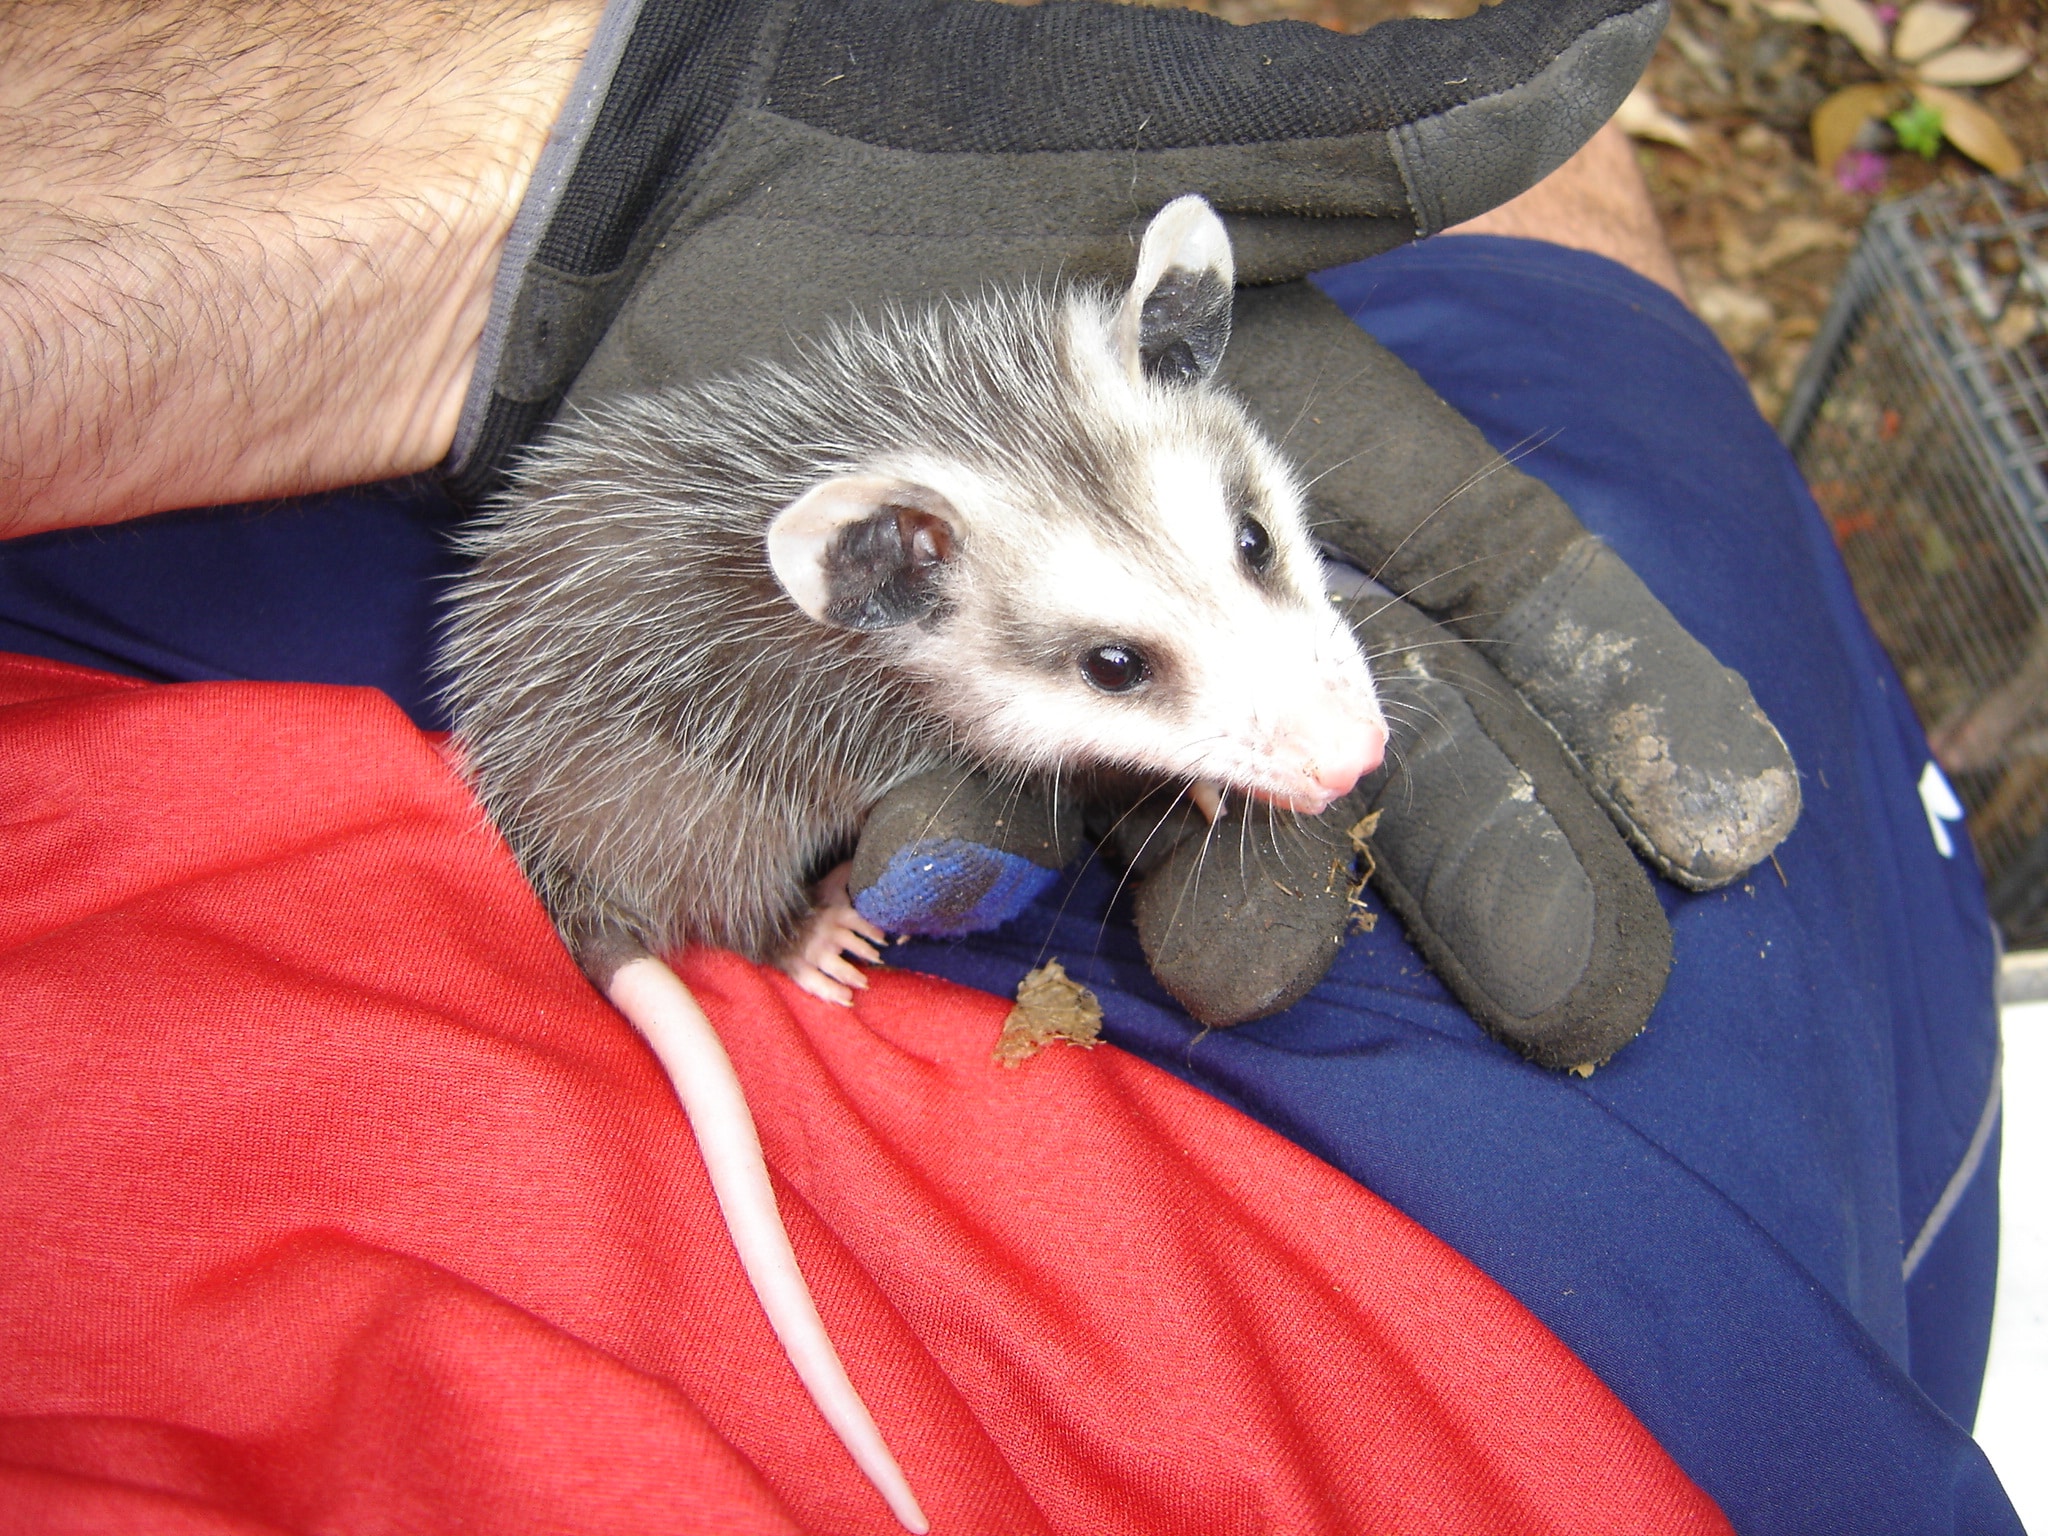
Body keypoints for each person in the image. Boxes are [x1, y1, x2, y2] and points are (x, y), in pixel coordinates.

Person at [0, 1, 2019, 1531]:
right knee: (1594, 340)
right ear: (880, 583)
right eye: (1132, 666)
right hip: (1621, 1362)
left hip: (1686, 1276)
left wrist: (570, 178)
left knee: (1584, 339)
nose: (1324, 723)